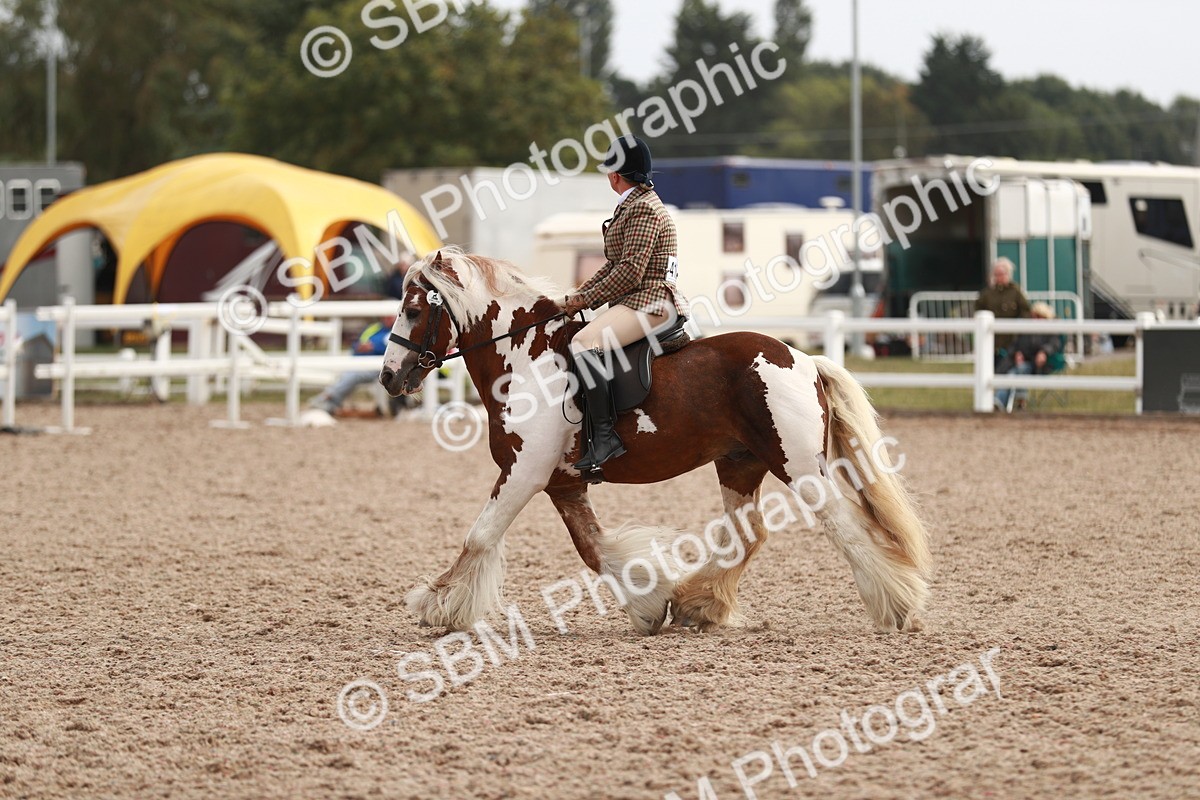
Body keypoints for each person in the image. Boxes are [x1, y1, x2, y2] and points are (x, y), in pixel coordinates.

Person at [558, 135, 690, 473]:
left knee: (583, 342)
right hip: (638, 299)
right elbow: (613, 264)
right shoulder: (634, 204)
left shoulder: (644, 208)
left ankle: (605, 437)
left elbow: (631, 272)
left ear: (615, 175)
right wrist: (575, 297)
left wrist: (584, 300)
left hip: (652, 302)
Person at [309, 318, 403, 416]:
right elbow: (357, 343)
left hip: (378, 367)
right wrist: (359, 346)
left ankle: (326, 398)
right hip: (359, 362)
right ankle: (329, 402)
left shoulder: (397, 330)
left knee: (351, 375)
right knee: (348, 374)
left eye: (391, 316)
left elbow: (394, 348)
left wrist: (373, 347)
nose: (388, 318)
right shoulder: (373, 328)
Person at [995, 302, 1062, 411]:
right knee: (1016, 371)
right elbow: (1015, 344)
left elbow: (1054, 345)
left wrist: (1044, 352)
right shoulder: (1026, 329)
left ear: (1045, 317)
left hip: (1040, 366)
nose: (1035, 319)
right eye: (1034, 316)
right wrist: (1017, 353)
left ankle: (1002, 401)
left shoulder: (1051, 330)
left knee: (1016, 372)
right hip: (1019, 364)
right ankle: (1015, 402)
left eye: (1038, 316)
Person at [975, 257, 1031, 366]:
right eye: (996, 274)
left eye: (1002, 274)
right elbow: (978, 311)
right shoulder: (987, 294)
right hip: (991, 339)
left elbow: (1025, 311)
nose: (999, 277)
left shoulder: (1016, 292)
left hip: (1011, 339)